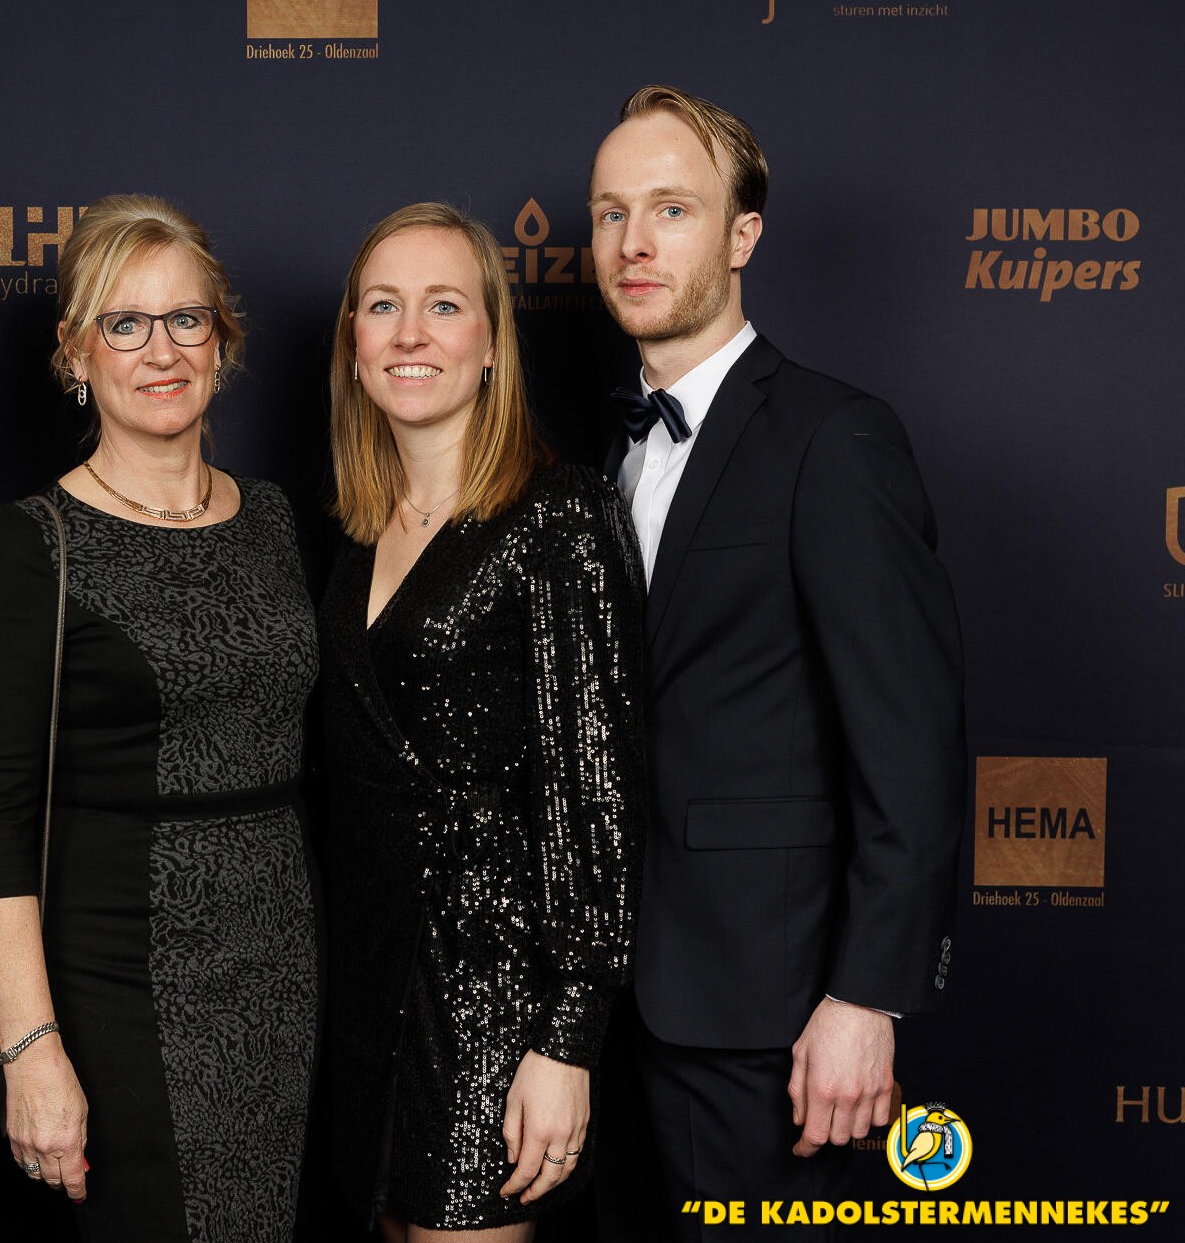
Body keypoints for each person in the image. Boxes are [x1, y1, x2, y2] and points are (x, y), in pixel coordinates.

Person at [586, 86, 965, 1240]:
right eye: (610, 213)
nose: (635, 243)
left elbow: (912, 745)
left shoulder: (833, 437)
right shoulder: (602, 454)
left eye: (672, 210)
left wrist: (866, 997)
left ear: (743, 234)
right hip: (606, 1015)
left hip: (775, 1013)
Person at [0, 194, 320, 1243]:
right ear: (76, 352)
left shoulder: (276, 519)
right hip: (120, 984)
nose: (161, 351)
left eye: (186, 319)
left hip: (284, 969)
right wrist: (32, 1050)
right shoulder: (36, 545)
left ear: (223, 340)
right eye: (125, 323)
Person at [316, 202, 649, 1241]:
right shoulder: (352, 533)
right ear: (355, 346)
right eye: (383, 306)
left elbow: (598, 794)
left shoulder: (561, 514)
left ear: (493, 342)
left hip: (496, 995)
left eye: (444, 306)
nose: (410, 334)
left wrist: (569, 1040)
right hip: (366, 981)